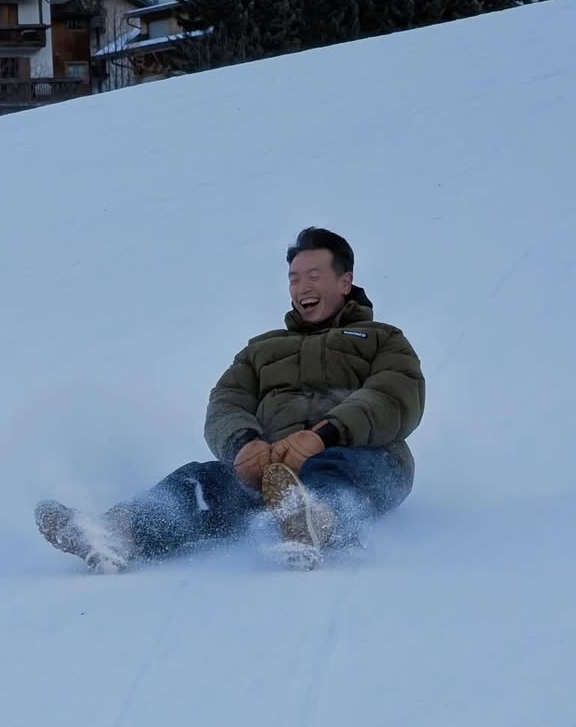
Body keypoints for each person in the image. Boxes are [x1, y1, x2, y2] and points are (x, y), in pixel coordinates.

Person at [36, 227, 425, 571]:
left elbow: (394, 394)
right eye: (294, 278)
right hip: (274, 470)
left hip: (365, 456)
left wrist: (323, 435)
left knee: (336, 469)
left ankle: (314, 521)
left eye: (314, 276)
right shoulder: (262, 350)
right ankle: (118, 531)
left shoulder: (382, 338)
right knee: (203, 480)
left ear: (345, 281)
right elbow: (227, 400)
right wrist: (243, 445)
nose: (302, 288)